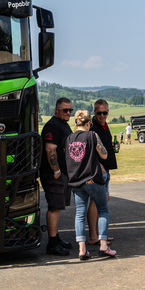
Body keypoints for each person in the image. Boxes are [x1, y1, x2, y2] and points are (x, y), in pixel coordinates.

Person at [65, 110, 117, 260]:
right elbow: (104, 154)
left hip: (76, 181)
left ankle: (82, 249)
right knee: (102, 209)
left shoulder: (68, 138)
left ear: (76, 123)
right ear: (89, 123)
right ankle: (103, 246)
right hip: (91, 180)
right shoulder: (92, 135)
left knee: (79, 214)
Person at [40, 98, 74, 255]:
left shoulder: (63, 124)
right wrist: (56, 171)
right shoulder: (53, 125)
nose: (68, 113)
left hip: (62, 174)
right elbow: (50, 149)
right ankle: (52, 244)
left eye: (70, 110)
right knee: (54, 207)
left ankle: (56, 238)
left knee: (58, 207)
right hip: (53, 174)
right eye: (65, 110)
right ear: (57, 110)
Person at [87, 99, 118, 245]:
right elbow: (89, 150)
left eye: (105, 113)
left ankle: (101, 234)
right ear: (94, 112)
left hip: (106, 170)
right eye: (99, 113)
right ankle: (94, 236)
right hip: (97, 172)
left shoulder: (105, 125)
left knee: (104, 201)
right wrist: (99, 165)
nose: (102, 116)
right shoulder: (92, 127)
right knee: (95, 202)